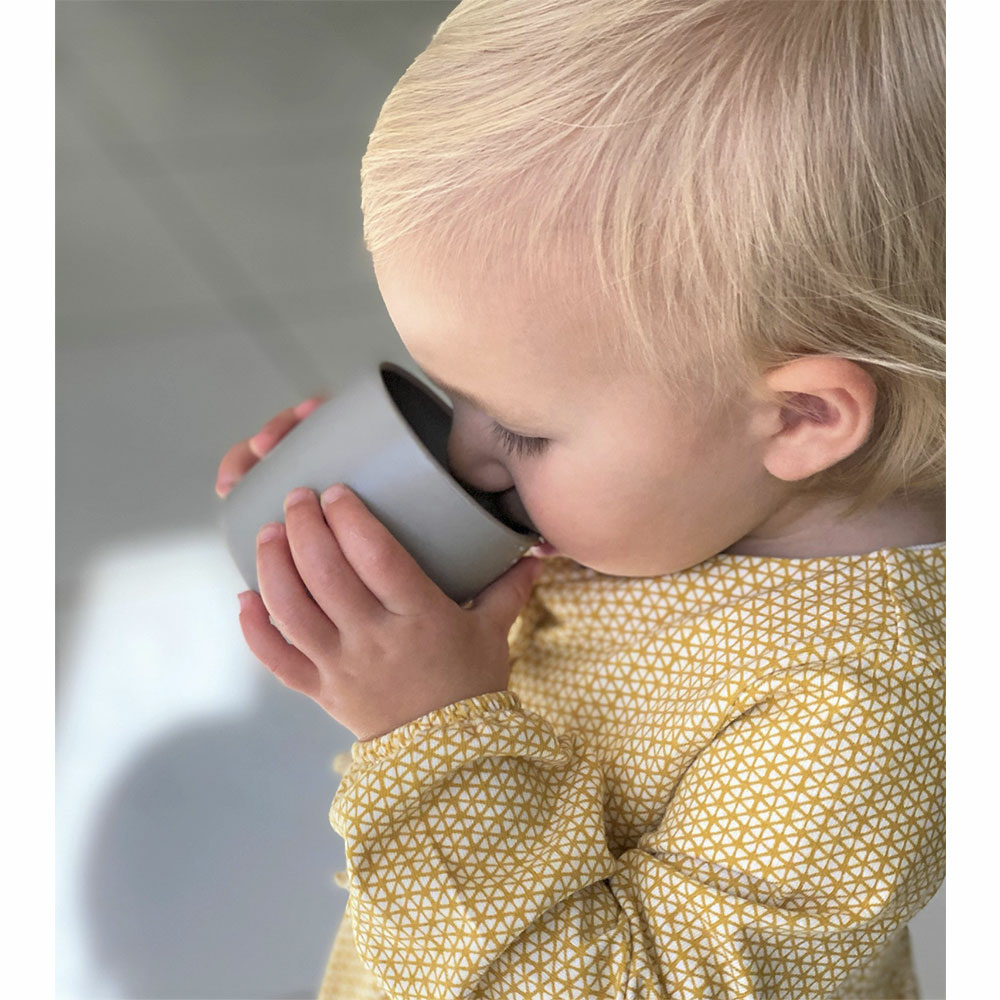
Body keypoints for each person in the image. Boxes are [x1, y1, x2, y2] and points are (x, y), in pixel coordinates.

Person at [215, 1, 945, 997]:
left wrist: (429, 727)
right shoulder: (680, 498)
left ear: (800, 417)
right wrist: (378, 578)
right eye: (454, 395)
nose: (465, 455)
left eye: (519, 428)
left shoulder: (860, 707)